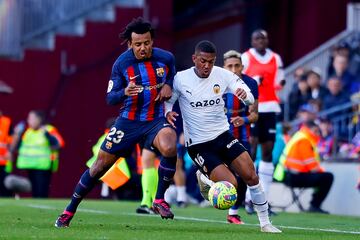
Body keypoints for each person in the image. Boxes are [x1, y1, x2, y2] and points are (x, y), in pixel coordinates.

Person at [55, 17, 178, 228]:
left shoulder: (166, 58)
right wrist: (124, 92)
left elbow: (172, 75)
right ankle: (69, 211)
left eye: (146, 43)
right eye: (138, 44)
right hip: (128, 122)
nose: (143, 48)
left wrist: (167, 84)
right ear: (130, 44)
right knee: (99, 167)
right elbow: (110, 98)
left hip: (154, 121)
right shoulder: (121, 64)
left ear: (152, 41)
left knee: (169, 146)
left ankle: (158, 200)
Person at [165, 40, 281, 233]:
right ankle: (206, 178)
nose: (207, 66)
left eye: (211, 62)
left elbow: (249, 96)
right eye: (203, 61)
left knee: (252, 176)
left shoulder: (223, 75)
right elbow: (169, 101)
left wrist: (245, 96)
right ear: (194, 59)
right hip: (199, 145)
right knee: (230, 190)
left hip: (223, 136)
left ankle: (265, 223)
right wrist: (168, 111)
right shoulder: (180, 79)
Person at [241, 29, 285, 215]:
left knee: (267, 151)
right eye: (257, 38)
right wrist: (254, 82)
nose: (260, 41)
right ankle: (248, 199)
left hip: (270, 108)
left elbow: (280, 81)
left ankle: (263, 200)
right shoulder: (246, 57)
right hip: (253, 108)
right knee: (250, 151)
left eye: (263, 38)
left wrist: (278, 86)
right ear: (252, 41)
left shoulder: (276, 58)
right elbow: (239, 79)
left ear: (267, 40)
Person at [222, 50, 259, 224]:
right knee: (220, 170)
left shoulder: (251, 83)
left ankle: (234, 212)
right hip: (219, 132)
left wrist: (243, 119)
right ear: (224, 67)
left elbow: (255, 115)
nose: (234, 69)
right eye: (230, 66)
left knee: (244, 173)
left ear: (242, 67)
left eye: (237, 65)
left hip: (242, 134)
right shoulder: (216, 82)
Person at [274, 120, 334, 214]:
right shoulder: (304, 140)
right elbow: (313, 168)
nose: (319, 134)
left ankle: (314, 205)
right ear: (313, 129)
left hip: (290, 175)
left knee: (324, 177)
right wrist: (322, 171)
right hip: (293, 177)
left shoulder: (300, 136)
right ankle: (314, 206)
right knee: (328, 177)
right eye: (317, 131)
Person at [12, 110, 64, 198]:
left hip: (43, 166)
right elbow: (18, 147)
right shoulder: (28, 132)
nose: (28, 121)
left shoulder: (49, 129)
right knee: (35, 191)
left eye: (31, 118)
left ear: (39, 120)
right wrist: (17, 134)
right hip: (30, 165)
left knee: (42, 191)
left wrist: (47, 135)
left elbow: (59, 144)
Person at [0, 110, 13, 196]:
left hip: (4, 160)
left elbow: (12, 139)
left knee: (4, 183)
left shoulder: (6, 122)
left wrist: (10, 151)